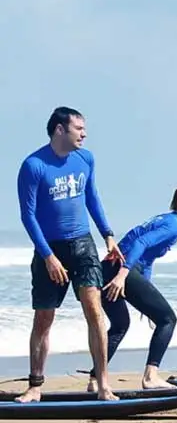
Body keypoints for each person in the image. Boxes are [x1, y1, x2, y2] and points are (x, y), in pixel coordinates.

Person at [16, 106, 123, 403]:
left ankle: (103, 384)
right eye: (78, 128)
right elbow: (28, 216)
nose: (84, 134)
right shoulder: (34, 165)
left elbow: (92, 197)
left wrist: (108, 234)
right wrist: (48, 256)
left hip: (82, 244)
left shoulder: (85, 158)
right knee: (43, 319)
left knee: (94, 310)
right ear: (60, 130)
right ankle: (35, 386)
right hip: (50, 249)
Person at [86, 186, 177, 391]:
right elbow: (141, 242)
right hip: (121, 269)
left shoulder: (164, 220)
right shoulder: (173, 226)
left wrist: (146, 297)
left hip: (108, 267)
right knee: (168, 319)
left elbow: (147, 257)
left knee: (120, 324)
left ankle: (95, 379)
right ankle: (151, 376)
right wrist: (122, 275)